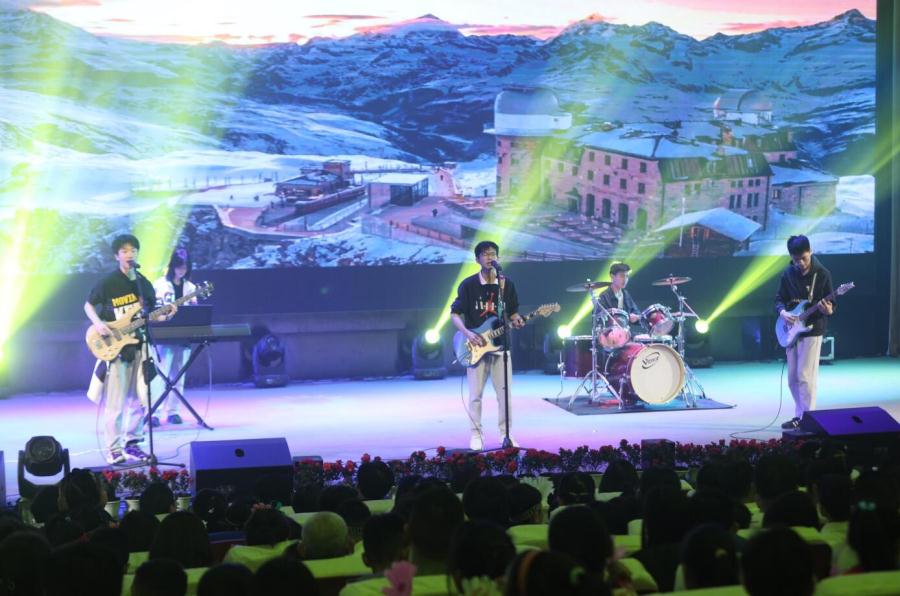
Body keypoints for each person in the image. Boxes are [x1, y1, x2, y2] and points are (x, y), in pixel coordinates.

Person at [85, 234, 176, 464]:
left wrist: (167, 315)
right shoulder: (108, 282)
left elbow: (151, 316)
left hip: (139, 347)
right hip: (116, 349)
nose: (129, 254)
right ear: (117, 256)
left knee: (139, 399)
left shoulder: (143, 284)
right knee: (115, 402)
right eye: (124, 251)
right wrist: (98, 323)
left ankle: (133, 443)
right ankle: (113, 448)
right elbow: (88, 305)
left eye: (133, 250)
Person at [451, 240, 524, 450]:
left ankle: (506, 434)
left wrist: (517, 319)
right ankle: (476, 435)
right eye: (485, 254)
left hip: (501, 347)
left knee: (505, 395)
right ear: (477, 259)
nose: (489, 257)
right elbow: (455, 314)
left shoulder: (506, 284)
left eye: (493, 253)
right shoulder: (468, 285)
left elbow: (513, 312)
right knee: (475, 396)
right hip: (476, 347)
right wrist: (467, 333)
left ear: (498, 258)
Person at [775, 235, 835, 429]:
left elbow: (832, 305)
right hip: (792, 331)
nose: (800, 263)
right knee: (792, 378)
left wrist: (828, 309)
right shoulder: (788, 274)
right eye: (796, 259)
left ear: (810, 252)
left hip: (812, 330)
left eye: (804, 258)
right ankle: (800, 415)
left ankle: (809, 419)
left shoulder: (822, 274)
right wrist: (783, 312)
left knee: (805, 377)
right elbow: (779, 299)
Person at [151, 248, 197, 426]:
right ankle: (154, 412)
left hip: (183, 337)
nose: (181, 270)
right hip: (162, 336)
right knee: (159, 375)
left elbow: (195, 313)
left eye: (185, 267)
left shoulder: (190, 287)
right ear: (172, 266)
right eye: (179, 267)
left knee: (178, 375)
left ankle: (173, 412)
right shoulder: (159, 285)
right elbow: (152, 310)